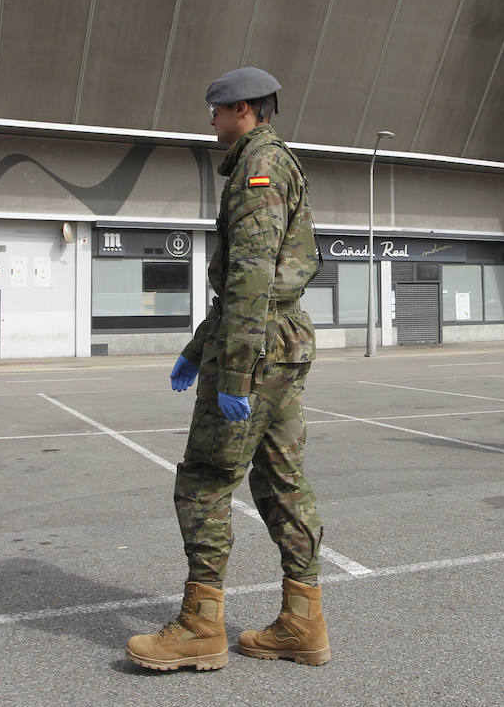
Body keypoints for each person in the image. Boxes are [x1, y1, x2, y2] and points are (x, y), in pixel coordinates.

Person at [126, 67, 329, 672]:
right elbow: (254, 285)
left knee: (205, 481)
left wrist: (234, 372)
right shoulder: (275, 163)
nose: (211, 122)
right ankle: (303, 619)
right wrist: (197, 348)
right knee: (279, 478)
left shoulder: (256, 169)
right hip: (279, 341)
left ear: (242, 110)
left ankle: (200, 627)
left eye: (216, 112)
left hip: (257, 348)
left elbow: (250, 279)